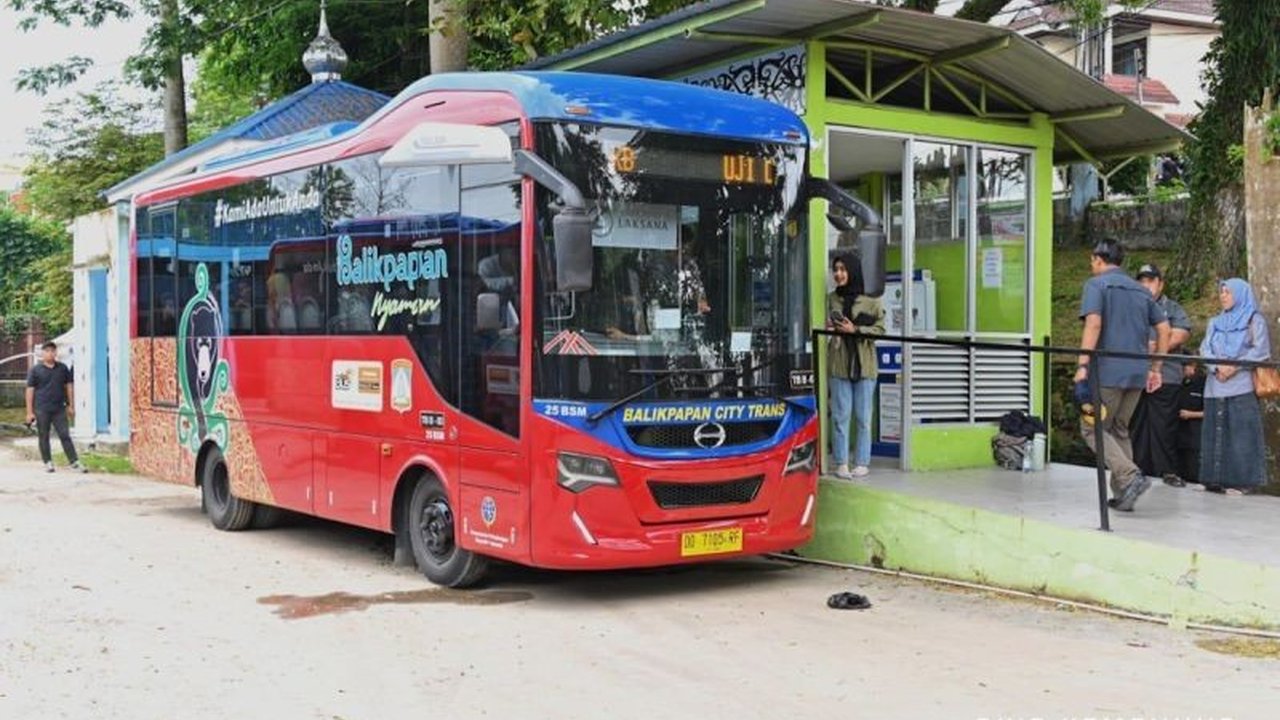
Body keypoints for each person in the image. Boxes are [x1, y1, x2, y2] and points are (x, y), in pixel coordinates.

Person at [1074, 239, 1171, 512]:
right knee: (1119, 429)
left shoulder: (1096, 285)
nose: (1091, 264)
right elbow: (1163, 328)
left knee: (1092, 427)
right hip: (1137, 373)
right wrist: (1156, 368)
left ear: (1098, 259)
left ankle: (1129, 477)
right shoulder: (1141, 291)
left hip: (1107, 372)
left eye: (1091, 260)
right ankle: (1125, 494)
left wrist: (1082, 365)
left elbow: (1094, 323)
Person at [1199, 278, 1271, 495]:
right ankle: (1213, 479)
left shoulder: (1253, 320)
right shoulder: (1215, 322)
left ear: (1240, 294)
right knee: (1213, 433)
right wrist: (1217, 367)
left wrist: (1234, 367)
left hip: (1241, 386)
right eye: (1221, 292)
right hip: (1215, 385)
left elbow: (1261, 350)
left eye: (1228, 292)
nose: (1223, 296)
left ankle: (1242, 482)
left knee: (1242, 436)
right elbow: (1204, 348)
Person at [1130, 264, 1193, 486]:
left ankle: (1167, 471)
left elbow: (1180, 335)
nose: (1146, 285)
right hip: (1135, 376)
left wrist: (1150, 345)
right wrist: (1159, 343)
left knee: (1164, 427)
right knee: (1135, 426)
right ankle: (1134, 471)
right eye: (1142, 281)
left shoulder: (1172, 309)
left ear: (1160, 283)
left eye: (1151, 280)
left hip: (1166, 376)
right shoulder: (1132, 308)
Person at [826, 252, 884, 480]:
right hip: (840, 363)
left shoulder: (871, 300)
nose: (839, 274)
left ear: (853, 271)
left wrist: (856, 330)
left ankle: (862, 462)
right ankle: (841, 463)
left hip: (864, 365)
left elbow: (880, 329)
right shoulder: (832, 299)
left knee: (863, 416)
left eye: (843, 269)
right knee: (840, 416)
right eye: (836, 269)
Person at [25, 341, 87, 474]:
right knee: (43, 436)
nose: (50, 353)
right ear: (42, 353)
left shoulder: (62, 368)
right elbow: (30, 390)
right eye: (47, 351)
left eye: (52, 351)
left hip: (59, 408)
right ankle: (48, 462)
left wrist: (71, 405)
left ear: (56, 353)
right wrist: (29, 412)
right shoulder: (35, 370)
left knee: (65, 435)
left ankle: (74, 461)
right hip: (42, 408)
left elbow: (69, 386)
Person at [1175, 360, 1205, 486]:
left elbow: (1211, 412)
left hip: (1196, 437)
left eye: (1185, 366)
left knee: (1193, 473)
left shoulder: (1203, 383)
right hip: (1178, 437)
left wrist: (1191, 414)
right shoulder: (1180, 384)